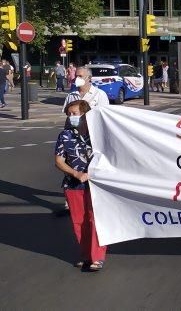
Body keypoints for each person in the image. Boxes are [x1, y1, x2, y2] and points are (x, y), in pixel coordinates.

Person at [55, 100, 107, 271]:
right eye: (69, 114)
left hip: (96, 185)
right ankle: (85, 254)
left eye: (75, 113)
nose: (71, 117)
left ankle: (97, 257)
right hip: (73, 184)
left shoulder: (98, 135)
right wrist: (76, 174)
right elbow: (59, 161)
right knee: (79, 221)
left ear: (85, 115)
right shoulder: (65, 135)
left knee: (95, 220)